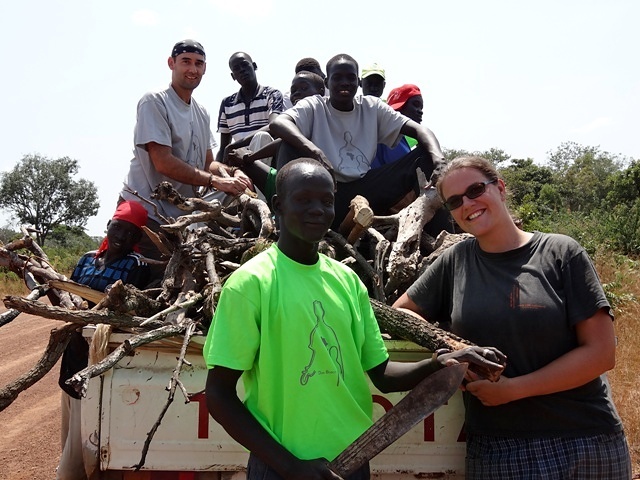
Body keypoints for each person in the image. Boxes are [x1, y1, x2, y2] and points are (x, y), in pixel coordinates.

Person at [203, 158, 504, 480]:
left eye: (327, 201)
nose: (317, 209)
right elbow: (219, 396)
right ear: (277, 205)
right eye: (303, 200)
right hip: (282, 469)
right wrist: (290, 466)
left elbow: (383, 374)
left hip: (352, 462)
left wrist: (442, 362)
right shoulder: (251, 283)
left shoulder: (346, 281)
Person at [393, 156, 632, 479]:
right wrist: (448, 349)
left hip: (588, 440)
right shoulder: (455, 262)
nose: (468, 203)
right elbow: (402, 313)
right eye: (454, 201)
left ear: (500, 188)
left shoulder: (561, 253)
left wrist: (515, 389)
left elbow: (601, 353)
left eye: (476, 189)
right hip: (503, 448)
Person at [270, 53, 450, 231]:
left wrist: (440, 160)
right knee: (287, 145)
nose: (344, 82)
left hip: (365, 190)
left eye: (350, 77)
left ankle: (440, 233)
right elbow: (278, 123)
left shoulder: (371, 106)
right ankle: (286, 228)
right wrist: (314, 151)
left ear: (357, 81)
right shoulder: (314, 105)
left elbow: (421, 130)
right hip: (324, 193)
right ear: (327, 83)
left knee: (425, 155)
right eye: (337, 77)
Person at [119, 40, 252, 273]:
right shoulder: (155, 101)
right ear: (171, 64)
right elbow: (163, 162)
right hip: (148, 215)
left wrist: (232, 172)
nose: (193, 69)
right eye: (186, 62)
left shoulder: (201, 112)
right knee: (147, 285)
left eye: (199, 63)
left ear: (205, 69)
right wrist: (215, 181)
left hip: (180, 219)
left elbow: (209, 163)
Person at [57, 200, 152, 480]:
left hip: (101, 356)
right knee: (71, 421)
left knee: (88, 434)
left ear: (138, 240)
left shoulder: (136, 266)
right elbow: (67, 297)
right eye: (118, 228)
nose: (122, 236)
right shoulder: (87, 259)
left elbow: (127, 312)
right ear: (109, 226)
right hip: (73, 351)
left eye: (131, 233)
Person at [226, 71, 326, 208]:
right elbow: (274, 128)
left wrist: (248, 158)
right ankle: (255, 203)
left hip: (310, 184)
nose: (297, 93)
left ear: (321, 92)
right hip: (290, 182)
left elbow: (281, 139)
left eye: (304, 88)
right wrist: (237, 148)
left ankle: (264, 206)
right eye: (293, 90)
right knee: (260, 140)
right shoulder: (295, 116)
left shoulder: (322, 113)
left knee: (265, 145)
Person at [216, 51, 284, 166]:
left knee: (262, 137)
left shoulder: (272, 94)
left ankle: (257, 182)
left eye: (245, 65)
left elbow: (274, 127)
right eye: (236, 68)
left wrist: (236, 145)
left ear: (254, 66)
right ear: (233, 76)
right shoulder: (227, 104)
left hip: (266, 163)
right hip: (239, 163)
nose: (242, 70)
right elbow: (224, 147)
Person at [371, 84, 423, 169]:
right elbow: (405, 169)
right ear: (399, 109)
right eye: (415, 105)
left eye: (421, 108)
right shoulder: (390, 133)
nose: (420, 112)